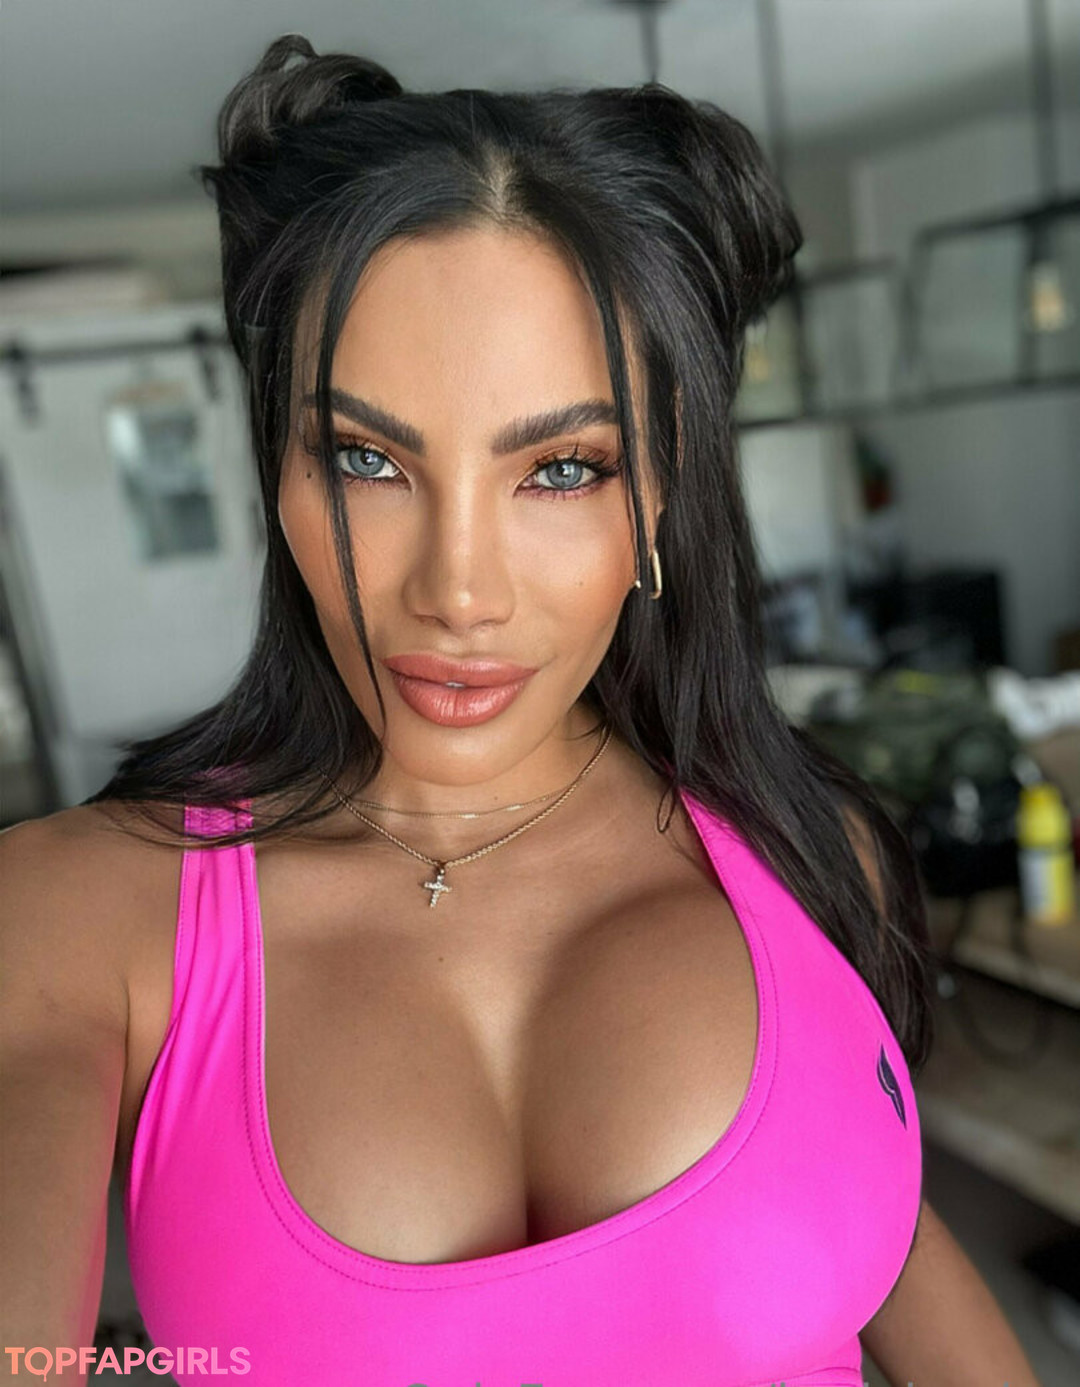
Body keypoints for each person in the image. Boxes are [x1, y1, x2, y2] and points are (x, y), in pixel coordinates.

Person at [0, 33, 1041, 1387]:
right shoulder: (77, 915)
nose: (459, 592)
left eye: (560, 469)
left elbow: (879, 1236)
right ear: (278, 469)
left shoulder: (809, 847)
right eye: (368, 457)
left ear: (663, 488)